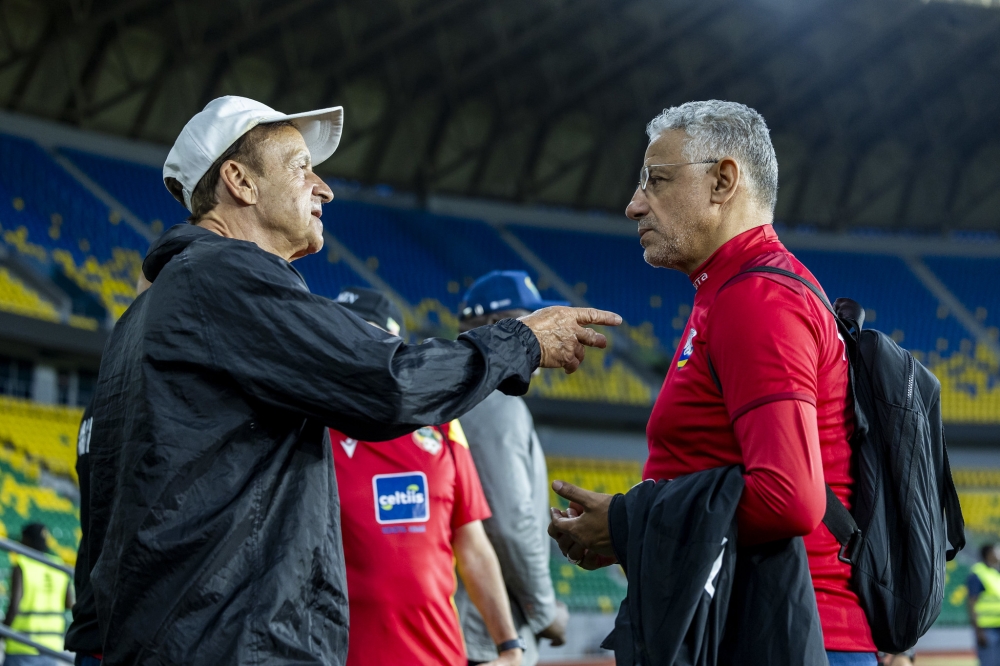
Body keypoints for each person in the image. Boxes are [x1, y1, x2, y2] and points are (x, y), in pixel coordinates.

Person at [84, 95, 620, 666]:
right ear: (239, 181)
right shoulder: (225, 277)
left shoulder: (142, 313)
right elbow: (391, 383)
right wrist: (524, 340)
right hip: (233, 645)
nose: (324, 188)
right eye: (300, 167)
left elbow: (102, 505)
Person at [547, 100, 876, 664]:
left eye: (656, 180)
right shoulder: (734, 291)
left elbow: (790, 499)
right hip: (768, 624)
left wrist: (629, 526)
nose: (633, 205)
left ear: (723, 180)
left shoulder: (757, 299)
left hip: (785, 632)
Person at [332, 285, 523, 666]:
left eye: (365, 332)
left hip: (438, 655)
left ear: (395, 346)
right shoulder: (309, 430)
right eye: (340, 333)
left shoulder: (442, 428)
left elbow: (472, 544)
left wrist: (509, 647)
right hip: (339, 655)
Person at [452, 271, 569, 666]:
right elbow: (510, 523)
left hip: (467, 622)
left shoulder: (457, 389)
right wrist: (545, 611)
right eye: (529, 321)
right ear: (492, 328)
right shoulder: (494, 401)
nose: (542, 332)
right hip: (486, 633)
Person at [3, 524, 73, 666]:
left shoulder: (23, 564)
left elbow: (14, 606)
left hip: (22, 646)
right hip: (51, 646)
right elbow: (69, 603)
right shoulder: (58, 565)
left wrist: (3, 630)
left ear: (27, 540)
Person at [968, 544, 1000, 666]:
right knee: (989, 662)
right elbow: (972, 603)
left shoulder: (995, 573)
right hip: (986, 630)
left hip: (998, 626)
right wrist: (978, 631)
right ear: (989, 555)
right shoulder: (978, 574)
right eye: (997, 552)